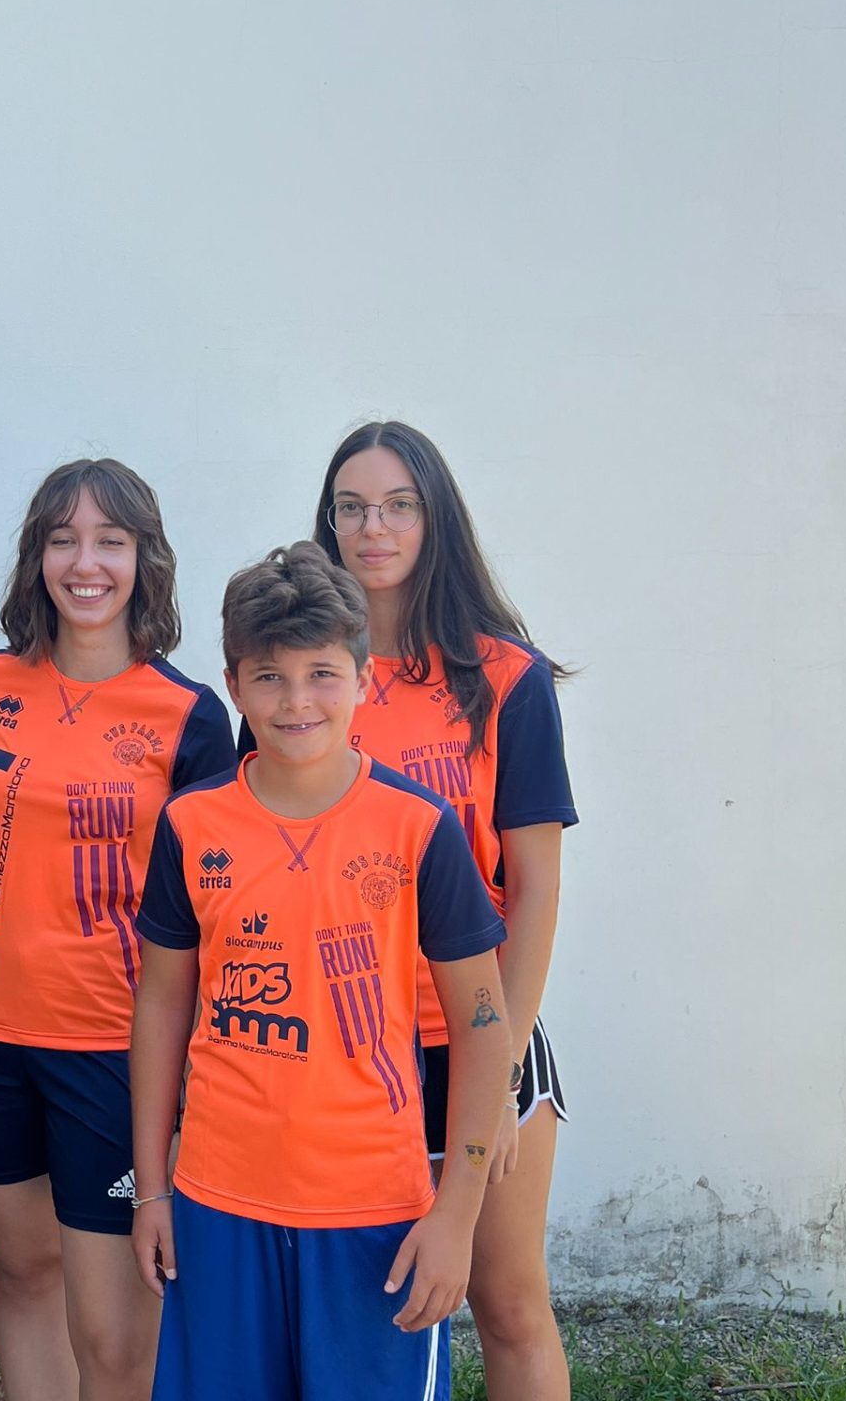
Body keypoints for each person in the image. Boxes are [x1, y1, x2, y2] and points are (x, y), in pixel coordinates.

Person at [129, 541, 515, 1401]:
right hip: (218, 1201)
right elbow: (159, 1007)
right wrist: (152, 1190)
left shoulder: (419, 827)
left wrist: (456, 1215)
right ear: (234, 686)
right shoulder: (191, 825)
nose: (297, 701)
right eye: (269, 677)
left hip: (375, 1210)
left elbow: (484, 1026)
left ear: (364, 678)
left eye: (322, 674)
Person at [0, 459, 233, 1400]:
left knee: (115, 1338)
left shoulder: (190, 716)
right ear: (37, 557)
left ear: (145, 559)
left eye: (109, 541)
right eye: (63, 540)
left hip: (115, 1049)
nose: (84, 563)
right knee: (26, 1277)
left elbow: (219, 895)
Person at [310, 421, 577, 1399]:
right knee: (370, 1311)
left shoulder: (505, 677)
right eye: (351, 507)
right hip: (348, 1046)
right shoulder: (310, 677)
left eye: (398, 506)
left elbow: (535, 886)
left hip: (476, 1035)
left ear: (436, 519)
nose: (372, 528)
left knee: (507, 1304)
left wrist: (495, 1072)